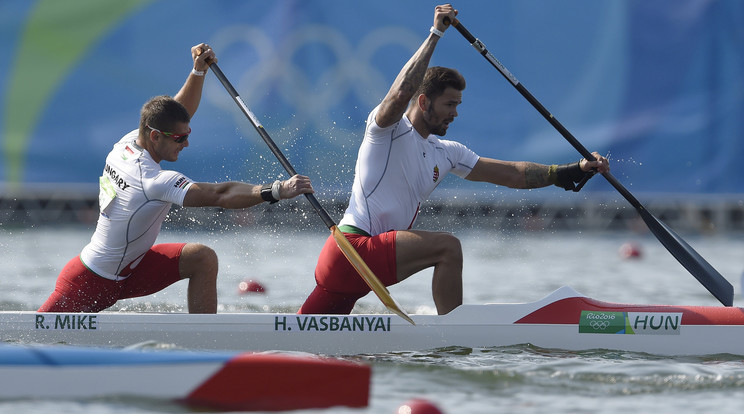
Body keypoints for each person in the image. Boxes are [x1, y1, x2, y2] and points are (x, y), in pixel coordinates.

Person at [298, 4, 609, 315]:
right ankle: (452, 335)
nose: (455, 113)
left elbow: (514, 174)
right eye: (449, 104)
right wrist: (435, 34)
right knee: (448, 248)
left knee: (310, 348)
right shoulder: (386, 130)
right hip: (353, 250)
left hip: (356, 268)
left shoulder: (446, 152)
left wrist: (569, 171)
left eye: (457, 105)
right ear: (423, 102)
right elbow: (399, 93)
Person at [39, 43, 314, 313]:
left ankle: (204, 345)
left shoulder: (128, 142)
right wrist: (276, 190)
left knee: (201, 258)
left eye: (188, 135)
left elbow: (174, 111)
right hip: (89, 281)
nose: (186, 144)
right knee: (30, 343)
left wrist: (198, 72)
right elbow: (219, 195)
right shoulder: (153, 180)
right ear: (155, 137)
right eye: (180, 139)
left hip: (129, 272)